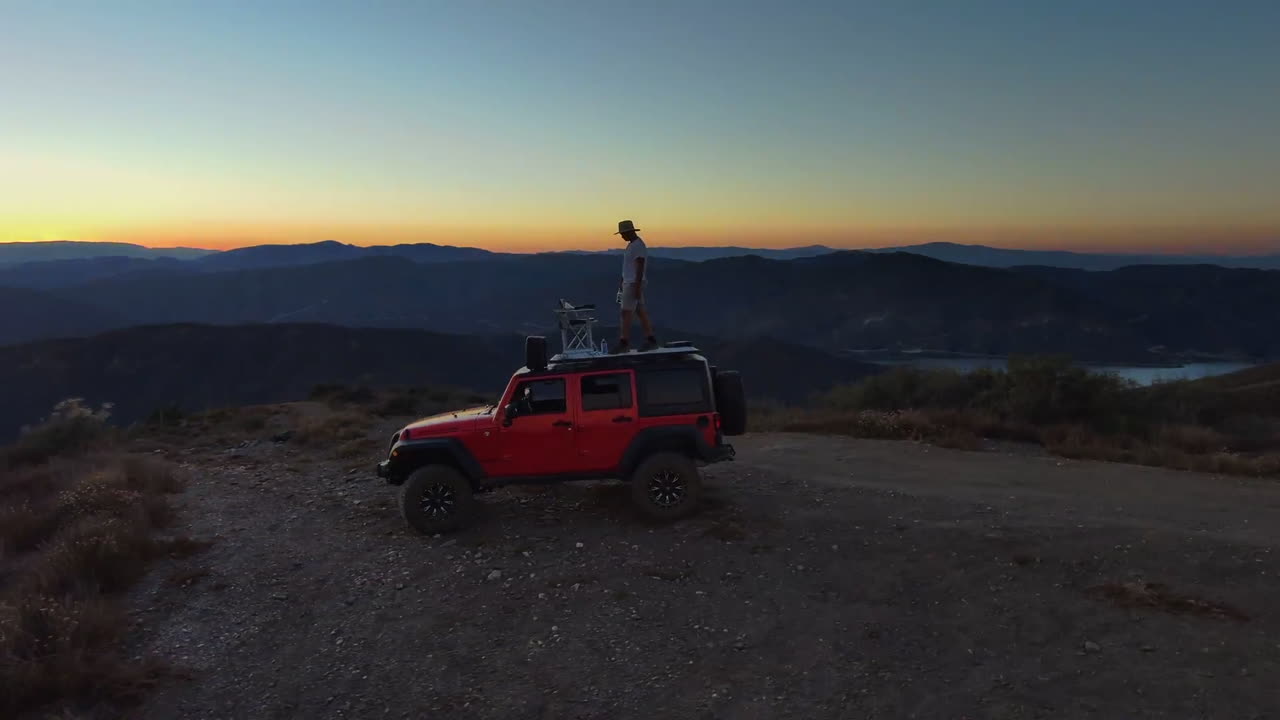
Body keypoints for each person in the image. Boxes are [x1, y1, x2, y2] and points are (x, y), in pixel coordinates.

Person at [614, 219, 658, 352]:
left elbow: (640, 266)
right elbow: (629, 267)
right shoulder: (633, 245)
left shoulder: (637, 245)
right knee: (640, 311)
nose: (622, 236)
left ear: (629, 232)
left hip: (633, 283)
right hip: (630, 282)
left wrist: (637, 286)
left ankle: (624, 342)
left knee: (625, 312)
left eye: (623, 233)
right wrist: (622, 281)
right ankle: (651, 339)